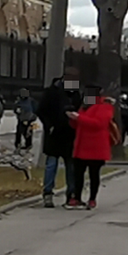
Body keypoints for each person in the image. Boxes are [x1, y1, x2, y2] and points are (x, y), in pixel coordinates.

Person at [65, 87, 115, 210]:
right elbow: (79, 124)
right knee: (78, 173)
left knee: (94, 174)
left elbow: (99, 123)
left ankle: (92, 198)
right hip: (82, 145)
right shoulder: (85, 106)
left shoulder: (105, 106)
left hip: (96, 146)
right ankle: (76, 197)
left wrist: (79, 118)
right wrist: (73, 119)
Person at [39, 73, 81, 206]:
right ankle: (48, 193)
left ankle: (71, 194)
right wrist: (49, 125)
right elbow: (41, 110)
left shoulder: (76, 93)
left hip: (70, 134)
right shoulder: (52, 92)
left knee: (71, 166)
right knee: (52, 164)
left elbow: (83, 107)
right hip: (54, 133)